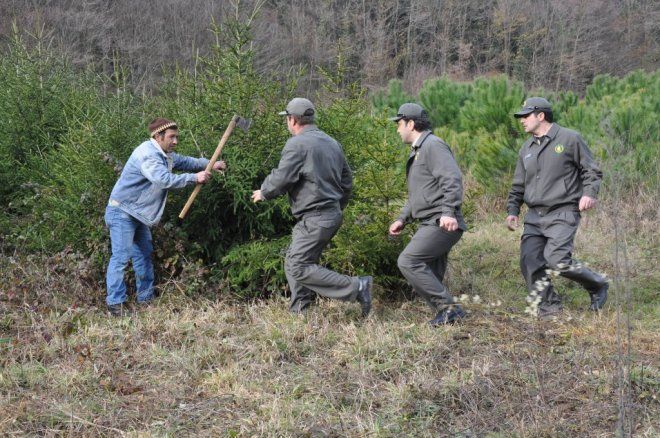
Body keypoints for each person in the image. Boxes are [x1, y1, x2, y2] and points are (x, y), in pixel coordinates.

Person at [251, 98, 372, 316]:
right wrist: (336, 206)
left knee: (297, 265)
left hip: (316, 216)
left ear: (292, 119)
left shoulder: (297, 144)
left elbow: (282, 178)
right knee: (296, 262)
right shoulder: (332, 142)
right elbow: (347, 181)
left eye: (287, 119)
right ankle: (300, 311)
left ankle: (357, 287)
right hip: (329, 214)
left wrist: (264, 191)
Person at [105, 118, 226, 316]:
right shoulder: (148, 155)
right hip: (122, 212)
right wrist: (195, 178)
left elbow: (186, 161)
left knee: (143, 254)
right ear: (158, 136)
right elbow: (163, 180)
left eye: (176, 136)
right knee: (121, 258)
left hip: (138, 214)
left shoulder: (164, 154)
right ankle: (115, 305)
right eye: (171, 137)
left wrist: (211, 164)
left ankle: (145, 298)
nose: (176, 141)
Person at [506, 97, 608, 318]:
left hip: (563, 211)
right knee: (530, 261)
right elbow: (518, 184)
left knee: (558, 260)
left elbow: (591, 171)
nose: (522, 120)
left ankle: (597, 284)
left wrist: (589, 194)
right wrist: (513, 210)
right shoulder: (526, 148)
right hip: (534, 215)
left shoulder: (570, 139)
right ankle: (549, 307)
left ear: (540, 116)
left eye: (526, 116)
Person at [388, 103, 468, 326]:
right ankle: (445, 315)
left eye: (399, 124)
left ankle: (450, 310)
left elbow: (451, 179)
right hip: (431, 220)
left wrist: (449, 212)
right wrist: (402, 218)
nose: (397, 129)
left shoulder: (433, 146)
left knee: (408, 261)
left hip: (441, 221)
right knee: (431, 271)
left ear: (411, 124)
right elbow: (419, 194)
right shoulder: (419, 149)